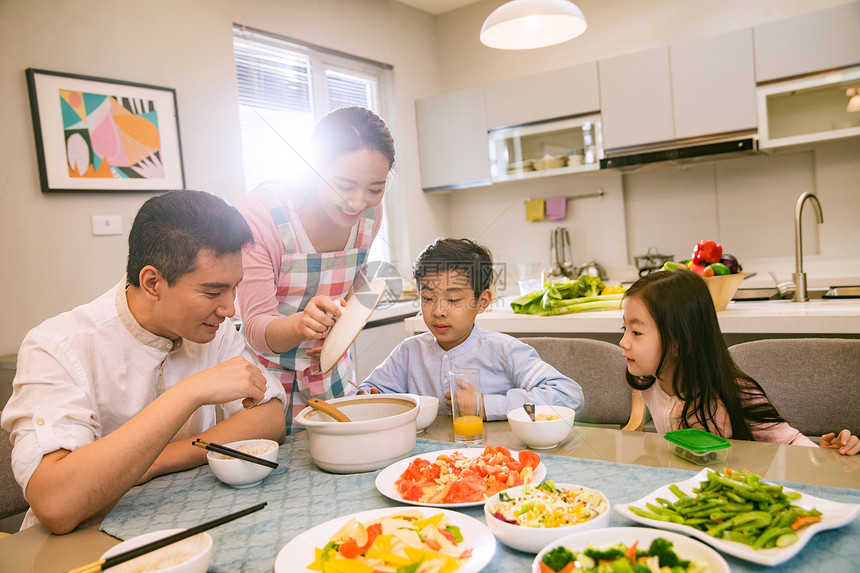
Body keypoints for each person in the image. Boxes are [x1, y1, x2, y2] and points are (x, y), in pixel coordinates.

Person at [1, 190, 287, 534]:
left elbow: (269, 418)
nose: (229, 309)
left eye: (234, 288)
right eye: (212, 293)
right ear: (152, 283)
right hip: (86, 540)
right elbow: (56, 503)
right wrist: (190, 392)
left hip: (183, 516)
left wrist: (155, 461)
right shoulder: (57, 346)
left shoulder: (215, 330)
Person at [237, 107, 395, 434]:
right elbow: (254, 328)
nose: (357, 202)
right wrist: (301, 324)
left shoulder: (370, 213)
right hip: (264, 383)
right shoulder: (262, 213)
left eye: (374, 188)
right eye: (344, 185)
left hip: (330, 373)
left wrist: (342, 323)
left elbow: (357, 284)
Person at [620, 269, 859, 455]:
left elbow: (790, 440)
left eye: (636, 332)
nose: (623, 341)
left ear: (681, 341)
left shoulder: (735, 392)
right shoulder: (649, 384)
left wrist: (823, 456)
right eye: (624, 328)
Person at [359, 238, 584, 420]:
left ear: (482, 301)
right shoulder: (408, 352)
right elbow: (369, 390)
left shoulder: (504, 351)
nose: (438, 311)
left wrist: (487, 405)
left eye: (454, 300)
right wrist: (367, 398)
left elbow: (569, 395)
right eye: (427, 298)